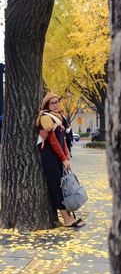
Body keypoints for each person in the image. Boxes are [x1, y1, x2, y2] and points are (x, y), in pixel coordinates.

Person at [36, 92, 85, 228]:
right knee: (56, 187)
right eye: (52, 102)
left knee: (64, 186)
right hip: (49, 157)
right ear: (47, 105)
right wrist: (63, 159)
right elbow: (52, 141)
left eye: (57, 101)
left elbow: (62, 140)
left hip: (58, 156)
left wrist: (66, 157)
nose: (56, 104)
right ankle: (66, 219)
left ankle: (69, 216)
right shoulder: (45, 118)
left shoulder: (60, 118)